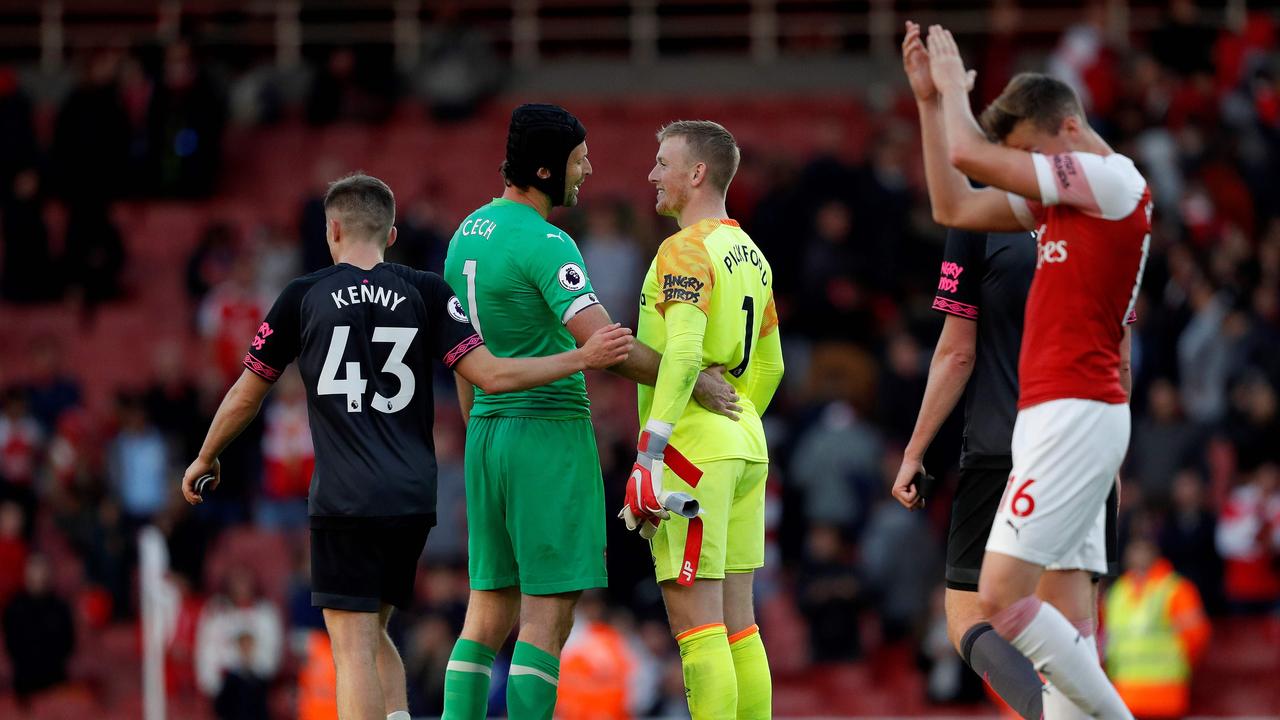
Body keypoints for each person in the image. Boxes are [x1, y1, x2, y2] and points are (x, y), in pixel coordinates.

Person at [180, 173, 633, 720]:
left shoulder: (302, 296)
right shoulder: (426, 290)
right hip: (412, 496)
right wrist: (576, 359)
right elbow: (489, 373)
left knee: (349, 649)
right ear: (393, 232)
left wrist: (207, 456)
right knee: (374, 631)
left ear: (334, 229)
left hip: (345, 495)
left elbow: (247, 393)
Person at [440, 104, 739, 720]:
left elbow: (463, 355)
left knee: (485, 611)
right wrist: (695, 382)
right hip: (546, 433)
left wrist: (479, 433)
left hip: (485, 434)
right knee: (546, 619)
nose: (588, 169)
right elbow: (604, 344)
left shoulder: (466, 232)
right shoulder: (547, 242)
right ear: (547, 169)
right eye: (579, 159)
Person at [909, 22, 1150, 719]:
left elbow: (968, 153)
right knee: (1071, 628)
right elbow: (952, 203)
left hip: (1072, 414)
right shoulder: (1067, 203)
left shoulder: (1110, 182)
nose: (1022, 168)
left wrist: (954, 90)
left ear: (1068, 130)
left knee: (999, 596)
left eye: (1027, 153)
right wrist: (929, 104)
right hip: (1064, 415)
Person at [618, 120, 785, 719]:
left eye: (663, 163)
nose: (652, 175)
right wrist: (739, 426)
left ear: (697, 174)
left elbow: (685, 351)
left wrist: (651, 450)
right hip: (744, 447)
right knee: (740, 623)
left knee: (696, 625)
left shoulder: (683, 248)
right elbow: (771, 366)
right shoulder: (753, 254)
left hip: (690, 449)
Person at [1104, 536, 1210, 720]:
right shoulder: (1118, 592)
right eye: (1134, 550)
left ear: (1155, 554)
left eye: (1143, 550)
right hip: (1125, 695)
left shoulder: (1176, 589)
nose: (1137, 556)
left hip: (1165, 695)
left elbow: (1197, 637)